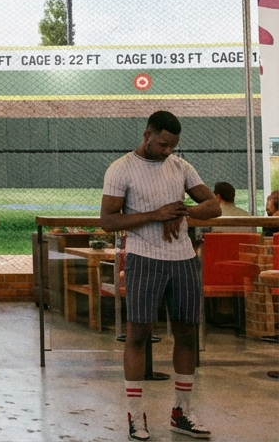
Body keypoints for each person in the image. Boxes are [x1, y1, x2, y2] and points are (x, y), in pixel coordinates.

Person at [100, 110, 219, 441]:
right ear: (147, 135)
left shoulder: (181, 167)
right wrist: (157, 214)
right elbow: (107, 221)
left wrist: (184, 211)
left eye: (173, 146)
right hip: (144, 259)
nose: (168, 151)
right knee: (138, 335)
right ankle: (136, 416)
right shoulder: (121, 168)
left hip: (183, 259)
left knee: (187, 334)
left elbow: (213, 206)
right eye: (163, 144)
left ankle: (181, 412)